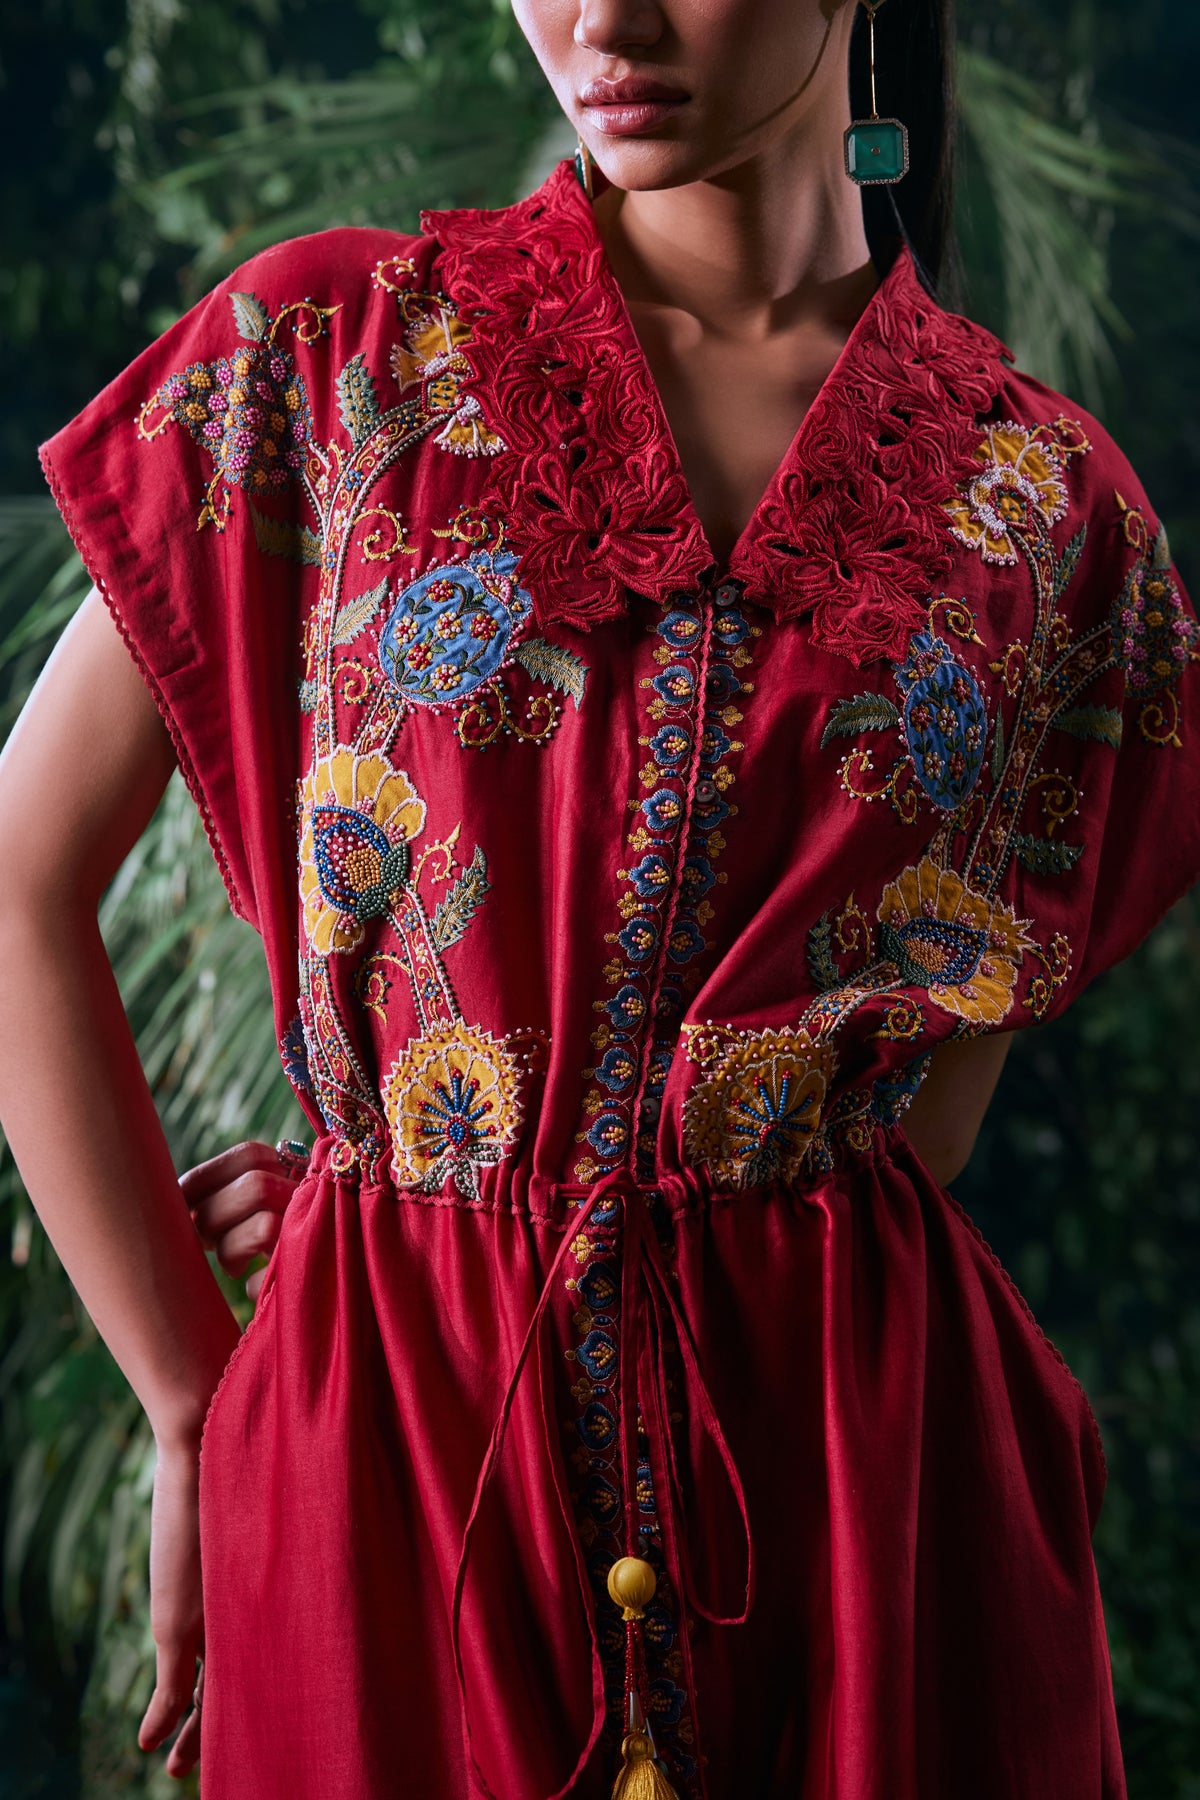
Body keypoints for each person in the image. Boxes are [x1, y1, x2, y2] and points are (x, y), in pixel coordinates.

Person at [1, 0, 1198, 1794]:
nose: (601, 19)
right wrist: (193, 1388)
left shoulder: (1052, 516)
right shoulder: (335, 357)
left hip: (861, 1493)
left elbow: (919, 1128)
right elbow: (17, 873)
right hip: (389, 1453)